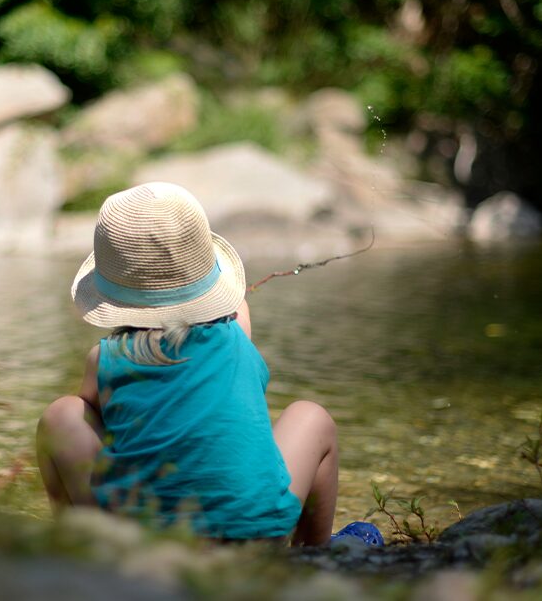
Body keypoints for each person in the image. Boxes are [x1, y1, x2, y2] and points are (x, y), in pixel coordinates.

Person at [35, 182, 339, 546]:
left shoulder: (103, 360)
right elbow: (234, 313)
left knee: (63, 414)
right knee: (311, 416)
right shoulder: (237, 333)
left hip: (144, 544)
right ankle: (315, 552)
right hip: (257, 538)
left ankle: (77, 548)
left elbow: (96, 414)